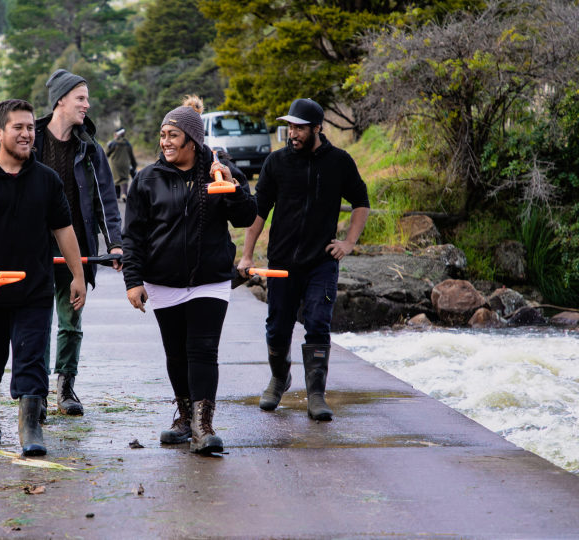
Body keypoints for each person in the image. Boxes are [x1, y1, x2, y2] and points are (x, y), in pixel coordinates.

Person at [0, 99, 87, 456]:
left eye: (31, 128)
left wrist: (77, 275)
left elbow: (64, 230)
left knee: (31, 361)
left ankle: (30, 426)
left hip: (33, 290)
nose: (28, 134)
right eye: (19, 128)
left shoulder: (45, 180)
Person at [122, 95, 257, 454]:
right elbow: (133, 236)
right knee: (176, 352)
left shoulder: (218, 170)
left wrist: (233, 187)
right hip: (163, 281)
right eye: (162, 135)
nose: (165, 141)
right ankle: (183, 418)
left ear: (191, 141)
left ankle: (203, 425)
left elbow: (246, 217)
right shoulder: (147, 179)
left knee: (202, 350)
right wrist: (133, 281)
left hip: (210, 279)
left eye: (172, 135)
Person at [237, 98, 370, 421]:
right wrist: (247, 254)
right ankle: (280, 379)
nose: (292, 134)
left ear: (316, 128)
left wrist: (349, 243)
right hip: (282, 261)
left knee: (317, 323)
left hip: (321, 261)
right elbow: (259, 212)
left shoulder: (339, 162)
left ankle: (316, 394)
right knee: (277, 327)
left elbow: (361, 202)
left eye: (299, 128)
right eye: (289, 127)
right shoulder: (276, 162)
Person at [33, 69, 124, 417]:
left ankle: (65, 387)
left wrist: (115, 243)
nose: (87, 105)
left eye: (87, 98)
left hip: (77, 248)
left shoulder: (89, 148)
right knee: (37, 320)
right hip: (35, 247)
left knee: (71, 320)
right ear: (60, 100)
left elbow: (106, 201)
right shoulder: (33, 140)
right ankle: (36, 391)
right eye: (81, 98)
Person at [107, 127, 137, 202]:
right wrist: (134, 165)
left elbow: (106, 153)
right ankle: (124, 194)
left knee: (116, 179)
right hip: (125, 164)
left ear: (117, 134)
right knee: (124, 179)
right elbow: (131, 156)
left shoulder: (113, 143)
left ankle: (117, 196)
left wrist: (108, 145)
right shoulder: (127, 144)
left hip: (115, 164)